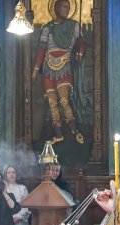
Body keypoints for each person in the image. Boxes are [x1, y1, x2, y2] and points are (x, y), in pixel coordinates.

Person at [33, 0, 87, 143]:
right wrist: (35, 69)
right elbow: (42, 49)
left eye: (69, 7)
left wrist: (80, 54)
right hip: (48, 69)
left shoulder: (74, 26)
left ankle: (74, 131)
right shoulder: (47, 28)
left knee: (64, 101)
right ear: (56, 8)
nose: (67, 10)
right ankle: (58, 134)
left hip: (64, 66)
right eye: (64, 7)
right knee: (52, 104)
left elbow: (82, 42)